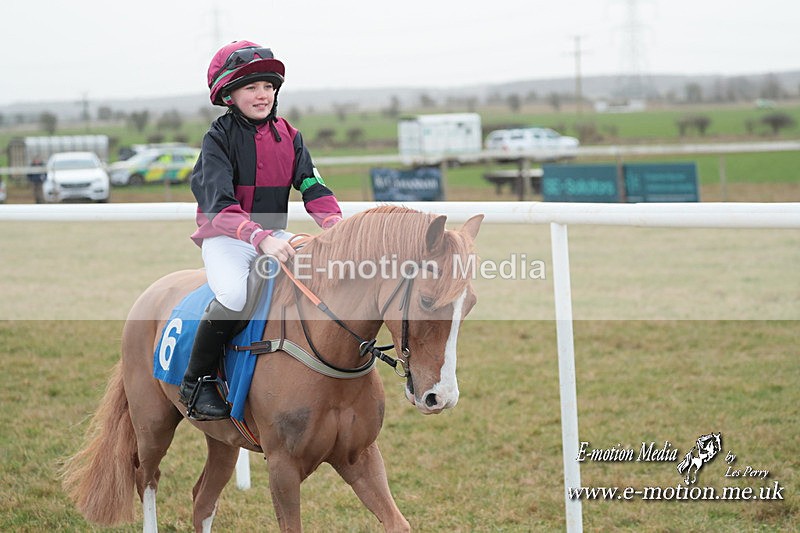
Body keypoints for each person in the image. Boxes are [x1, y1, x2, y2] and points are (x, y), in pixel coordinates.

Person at [180, 40, 343, 420]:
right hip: (228, 239)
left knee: (324, 274)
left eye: (268, 86)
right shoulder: (217, 139)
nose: (263, 94)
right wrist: (259, 237)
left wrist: (335, 225)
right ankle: (197, 380)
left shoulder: (290, 135)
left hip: (272, 237)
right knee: (235, 295)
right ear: (229, 95)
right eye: (252, 87)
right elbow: (218, 205)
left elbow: (311, 187)